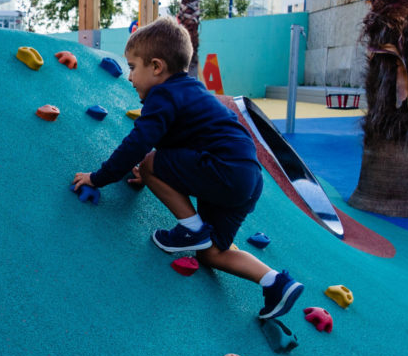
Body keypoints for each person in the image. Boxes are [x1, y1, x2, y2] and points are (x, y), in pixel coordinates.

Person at [69, 17, 303, 320]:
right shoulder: (192, 91)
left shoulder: (162, 94)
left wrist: (98, 178)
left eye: (132, 67)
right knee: (211, 253)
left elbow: (138, 142)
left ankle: (191, 229)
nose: (129, 78)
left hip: (224, 168)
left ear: (156, 67)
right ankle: (276, 282)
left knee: (149, 162)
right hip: (246, 178)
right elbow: (185, 142)